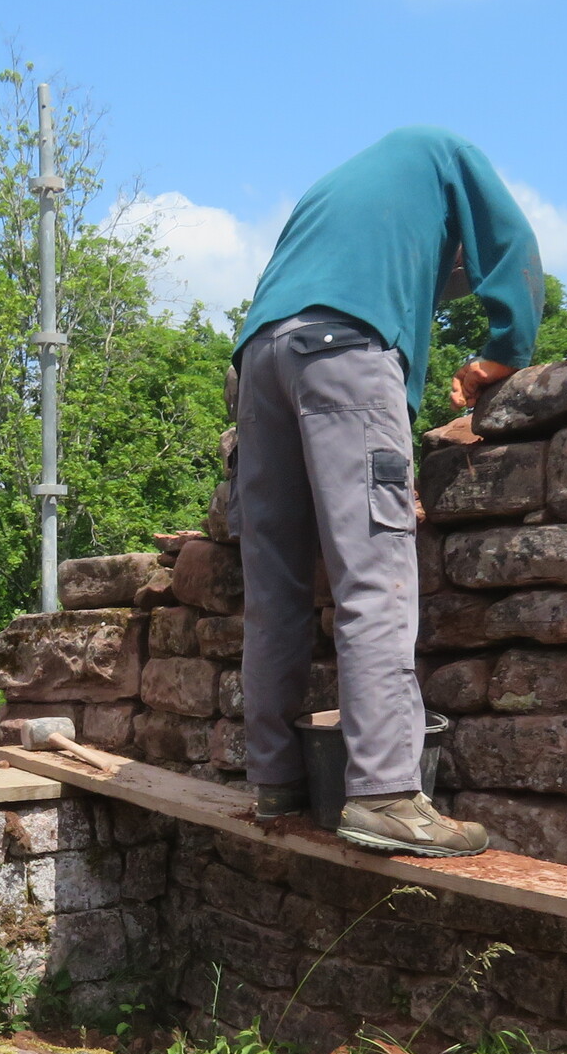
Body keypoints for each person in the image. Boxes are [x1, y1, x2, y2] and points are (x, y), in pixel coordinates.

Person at [231, 125, 540, 857]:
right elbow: (513, 247)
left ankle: (275, 780)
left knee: (273, 587)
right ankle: (385, 794)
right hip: (342, 350)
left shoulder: (340, 195)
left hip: (259, 363)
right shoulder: (444, 153)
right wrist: (504, 351)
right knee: (375, 573)